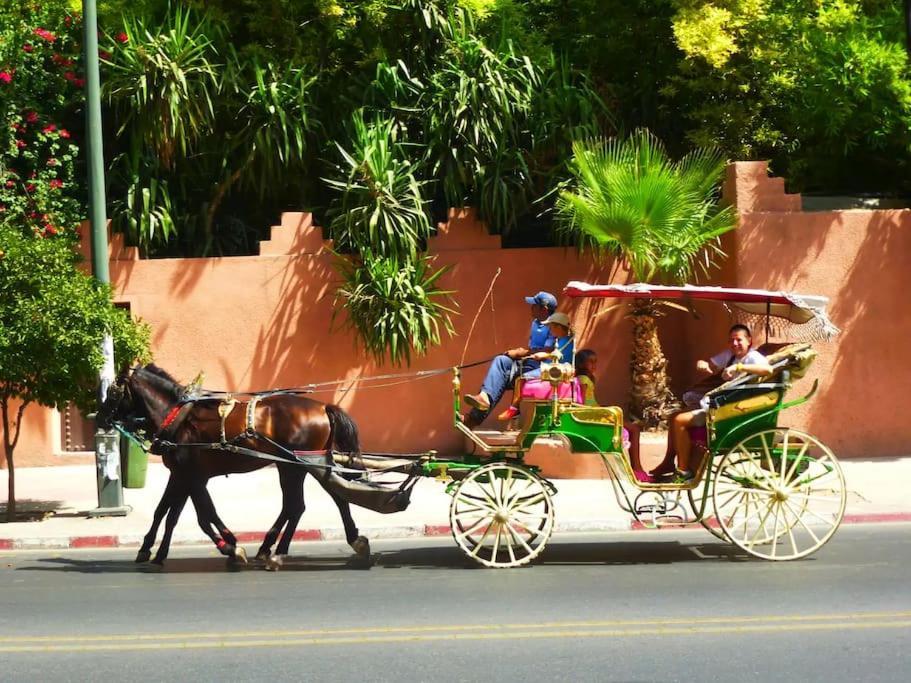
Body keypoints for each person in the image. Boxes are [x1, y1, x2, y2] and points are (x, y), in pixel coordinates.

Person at [651, 324, 772, 483]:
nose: (735, 344)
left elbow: (768, 370)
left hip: (731, 408)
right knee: (674, 415)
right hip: (721, 403)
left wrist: (739, 366)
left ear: (749, 340)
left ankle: (683, 471)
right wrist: (703, 365)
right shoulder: (731, 355)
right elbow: (712, 365)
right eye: (731, 340)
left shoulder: (752, 357)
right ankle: (668, 462)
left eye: (739, 340)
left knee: (680, 420)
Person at [463, 291, 558, 427]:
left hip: (543, 368)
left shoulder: (553, 325)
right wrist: (521, 353)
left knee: (510, 376)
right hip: (529, 362)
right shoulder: (535, 323)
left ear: (544, 309)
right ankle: (481, 402)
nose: (531, 308)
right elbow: (533, 348)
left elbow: (548, 350)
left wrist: (520, 352)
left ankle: (479, 417)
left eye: (534, 305)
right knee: (501, 361)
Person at [574, 349, 647, 482]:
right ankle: (637, 468)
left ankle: (636, 468)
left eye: (595, 362)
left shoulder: (586, 378)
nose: (594, 365)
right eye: (590, 362)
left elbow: (591, 401)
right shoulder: (583, 379)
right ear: (581, 364)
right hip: (593, 415)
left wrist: (602, 407)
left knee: (633, 428)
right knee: (634, 429)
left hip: (596, 412)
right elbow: (584, 404)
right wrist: (600, 410)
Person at [496, 312, 575, 421]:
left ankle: (514, 409)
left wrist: (544, 355)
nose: (549, 329)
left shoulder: (566, 341)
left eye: (551, 326)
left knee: (520, 379)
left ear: (558, 326)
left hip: (555, 371)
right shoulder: (561, 340)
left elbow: (559, 355)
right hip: (550, 368)